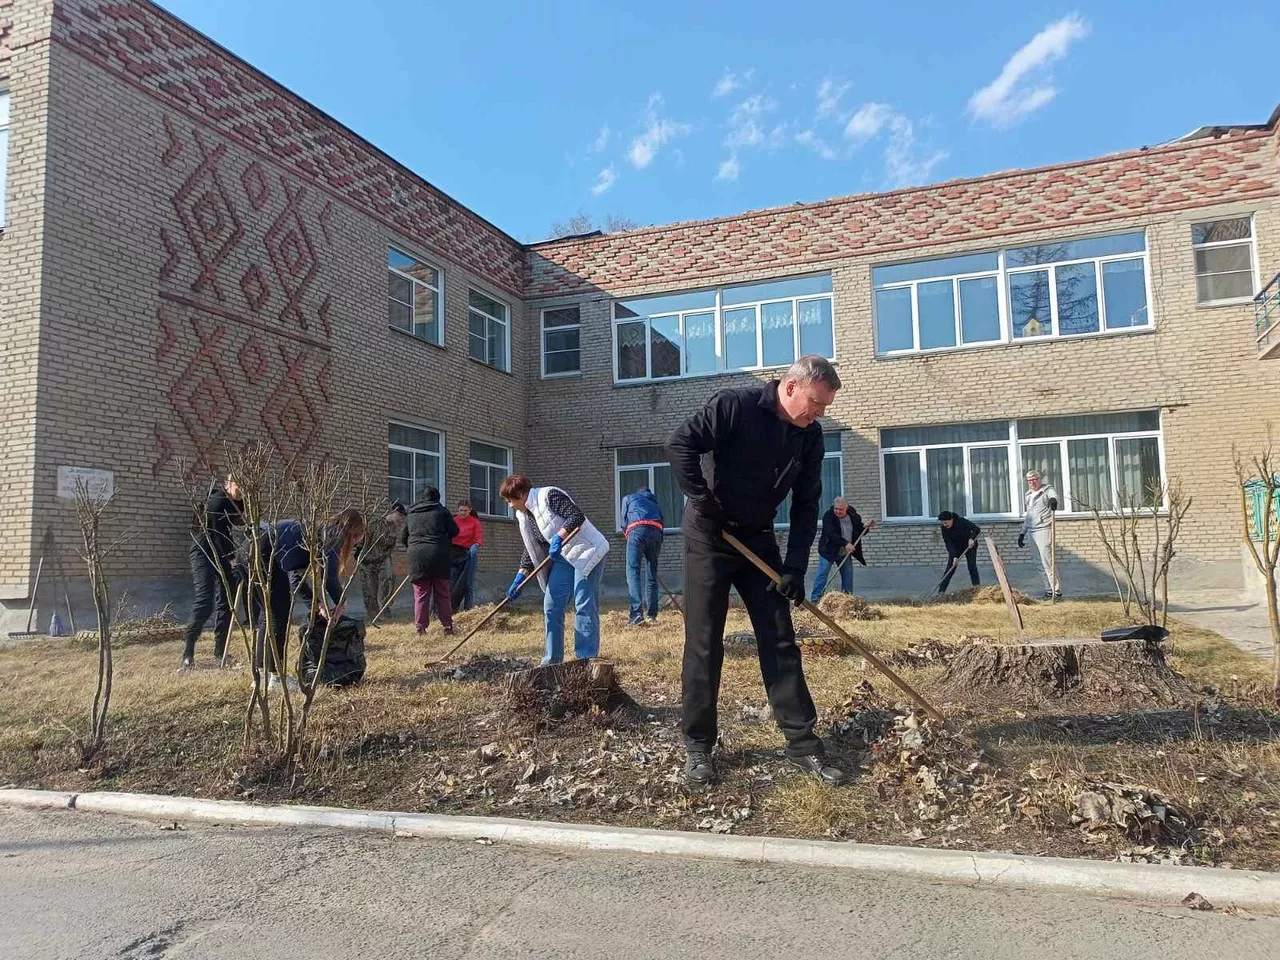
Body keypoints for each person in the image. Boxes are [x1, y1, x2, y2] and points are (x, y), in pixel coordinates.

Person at [666, 355, 848, 787]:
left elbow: (807, 503)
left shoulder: (810, 436)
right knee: (705, 641)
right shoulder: (735, 406)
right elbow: (680, 446)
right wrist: (704, 503)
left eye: (823, 408)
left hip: (758, 540)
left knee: (780, 637)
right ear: (790, 387)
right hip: (710, 538)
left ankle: (802, 744)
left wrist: (795, 568)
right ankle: (698, 747)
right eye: (815, 404)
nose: (818, 415)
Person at [501, 474, 609, 666]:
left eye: (511, 500)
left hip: (587, 550)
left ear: (522, 494)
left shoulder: (549, 495)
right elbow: (531, 548)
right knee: (551, 605)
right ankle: (552, 661)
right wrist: (519, 578)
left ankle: (585, 658)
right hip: (563, 558)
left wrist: (559, 536)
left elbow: (576, 516)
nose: (510, 505)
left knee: (583, 602)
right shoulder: (524, 515)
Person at [258, 508, 365, 691]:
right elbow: (329, 577)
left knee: (269, 616)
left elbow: (296, 579)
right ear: (353, 532)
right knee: (278, 617)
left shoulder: (317, 533)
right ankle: (275, 678)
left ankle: (261, 676)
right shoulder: (334, 534)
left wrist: (316, 605)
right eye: (356, 539)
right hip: (265, 554)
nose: (353, 544)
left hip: (255, 551)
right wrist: (341, 601)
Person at [181, 473, 244, 670]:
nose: (241, 490)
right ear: (228, 484)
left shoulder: (236, 502)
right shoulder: (217, 501)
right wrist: (232, 559)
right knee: (205, 600)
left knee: (227, 600)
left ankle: (220, 652)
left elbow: (238, 523)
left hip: (223, 550)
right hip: (204, 550)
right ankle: (188, 653)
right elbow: (216, 535)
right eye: (238, 486)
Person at [402, 487, 459, 635]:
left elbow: (403, 538)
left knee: (421, 594)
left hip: (417, 557)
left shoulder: (411, 513)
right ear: (437, 498)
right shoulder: (442, 511)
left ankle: (420, 628)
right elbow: (455, 531)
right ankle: (447, 627)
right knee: (442, 592)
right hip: (439, 555)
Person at [620, 485, 664, 626]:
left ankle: (636, 615)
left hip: (637, 530)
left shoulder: (628, 498)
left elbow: (623, 521)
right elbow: (662, 522)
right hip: (656, 532)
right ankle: (652, 615)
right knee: (652, 575)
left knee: (633, 572)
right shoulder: (655, 504)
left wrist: (627, 533)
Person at [810, 496, 865, 602]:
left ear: (846, 508)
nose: (838, 511)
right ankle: (815, 599)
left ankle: (847, 600)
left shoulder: (853, 515)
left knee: (848, 576)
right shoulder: (828, 516)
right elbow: (831, 534)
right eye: (836, 509)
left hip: (844, 552)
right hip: (828, 551)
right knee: (822, 574)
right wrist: (845, 543)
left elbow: (859, 529)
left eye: (841, 509)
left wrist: (866, 528)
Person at [359, 503, 406, 622]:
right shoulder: (375, 524)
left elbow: (391, 546)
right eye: (399, 515)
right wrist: (361, 558)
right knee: (370, 589)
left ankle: (385, 609)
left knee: (389, 580)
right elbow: (362, 541)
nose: (400, 519)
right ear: (393, 511)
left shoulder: (393, 527)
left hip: (384, 559)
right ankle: (373, 616)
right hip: (368, 560)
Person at [1019, 471, 1061, 599]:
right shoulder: (1028, 495)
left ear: (1039, 479)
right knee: (1038, 563)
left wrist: (1053, 501)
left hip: (1044, 529)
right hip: (1031, 531)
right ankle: (1048, 590)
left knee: (1047, 561)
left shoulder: (1047, 490)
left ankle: (1056, 591)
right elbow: (1029, 516)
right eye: (1029, 480)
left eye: (1034, 479)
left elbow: (1054, 496)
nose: (1032, 482)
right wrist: (1022, 532)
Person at [936, 510, 981, 593]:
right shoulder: (944, 528)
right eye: (943, 523)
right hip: (956, 548)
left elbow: (977, 529)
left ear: (951, 519)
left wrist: (971, 538)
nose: (945, 525)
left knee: (972, 566)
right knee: (950, 569)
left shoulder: (961, 521)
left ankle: (977, 588)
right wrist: (954, 556)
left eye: (946, 522)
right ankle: (941, 592)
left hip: (969, 545)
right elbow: (948, 543)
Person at [452, 500, 484, 611]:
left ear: (470, 510)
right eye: (461, 510)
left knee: (468, 584)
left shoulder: (475, 522)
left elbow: (479, 537)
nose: (462, 513)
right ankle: (452, 608)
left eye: (465, 511)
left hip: (469, 554)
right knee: (453, 582)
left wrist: (476, 545)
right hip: (455, 554)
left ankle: (468, 610)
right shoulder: (454, 521)